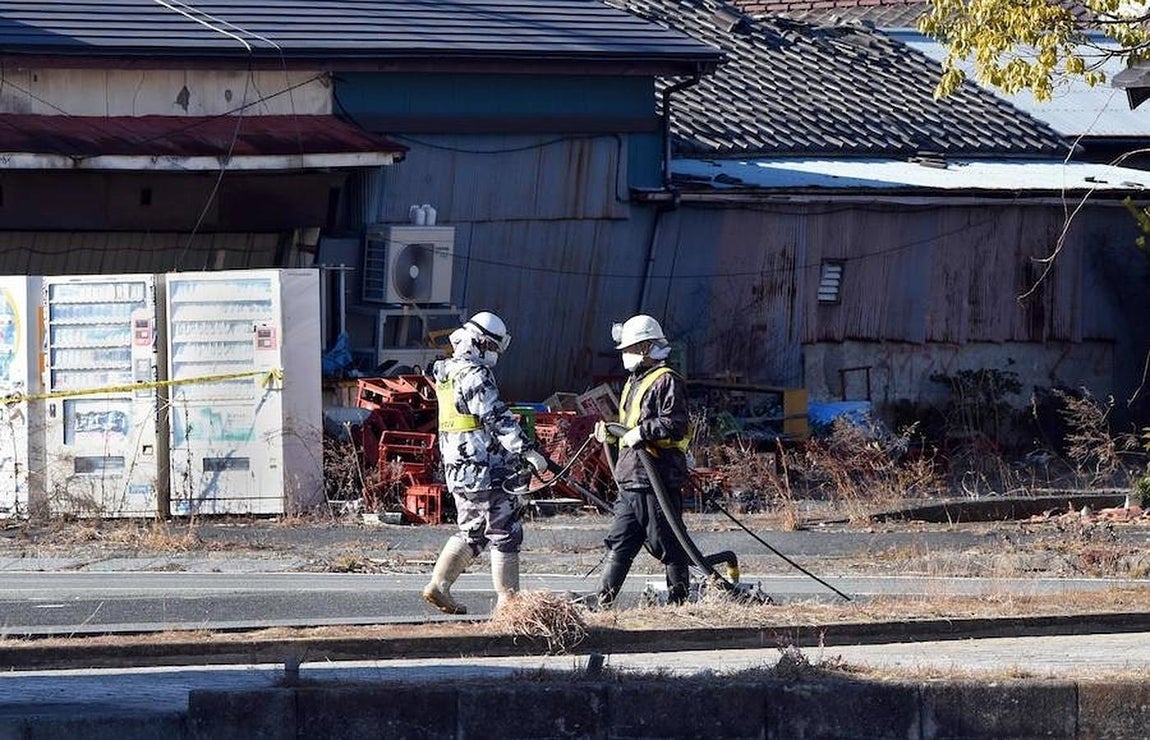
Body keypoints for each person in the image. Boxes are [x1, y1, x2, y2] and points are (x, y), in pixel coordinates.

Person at [422, 311, 549, 615]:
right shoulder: (475, 374)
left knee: (473, 531)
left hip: (458, 470)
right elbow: (498, 418)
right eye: (492, 346)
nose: (495, 354)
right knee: (506, 532)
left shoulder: (446, 372)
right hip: (485, 468)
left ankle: (439, 586)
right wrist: (527, 451)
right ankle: (509, 603)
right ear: (478, 343)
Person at [592, 314, 692, 608]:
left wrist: (641, 432)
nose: (624, 355)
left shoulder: (667, 381)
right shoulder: (635, 381)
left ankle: (679, 605)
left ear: (647, 347)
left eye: (629, 349)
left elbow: (675, 425)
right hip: (631, 476)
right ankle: (602, 603)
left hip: (655, 477)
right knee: (620, 540)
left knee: (668, 543)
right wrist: (610, 433)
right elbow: (629, 426)